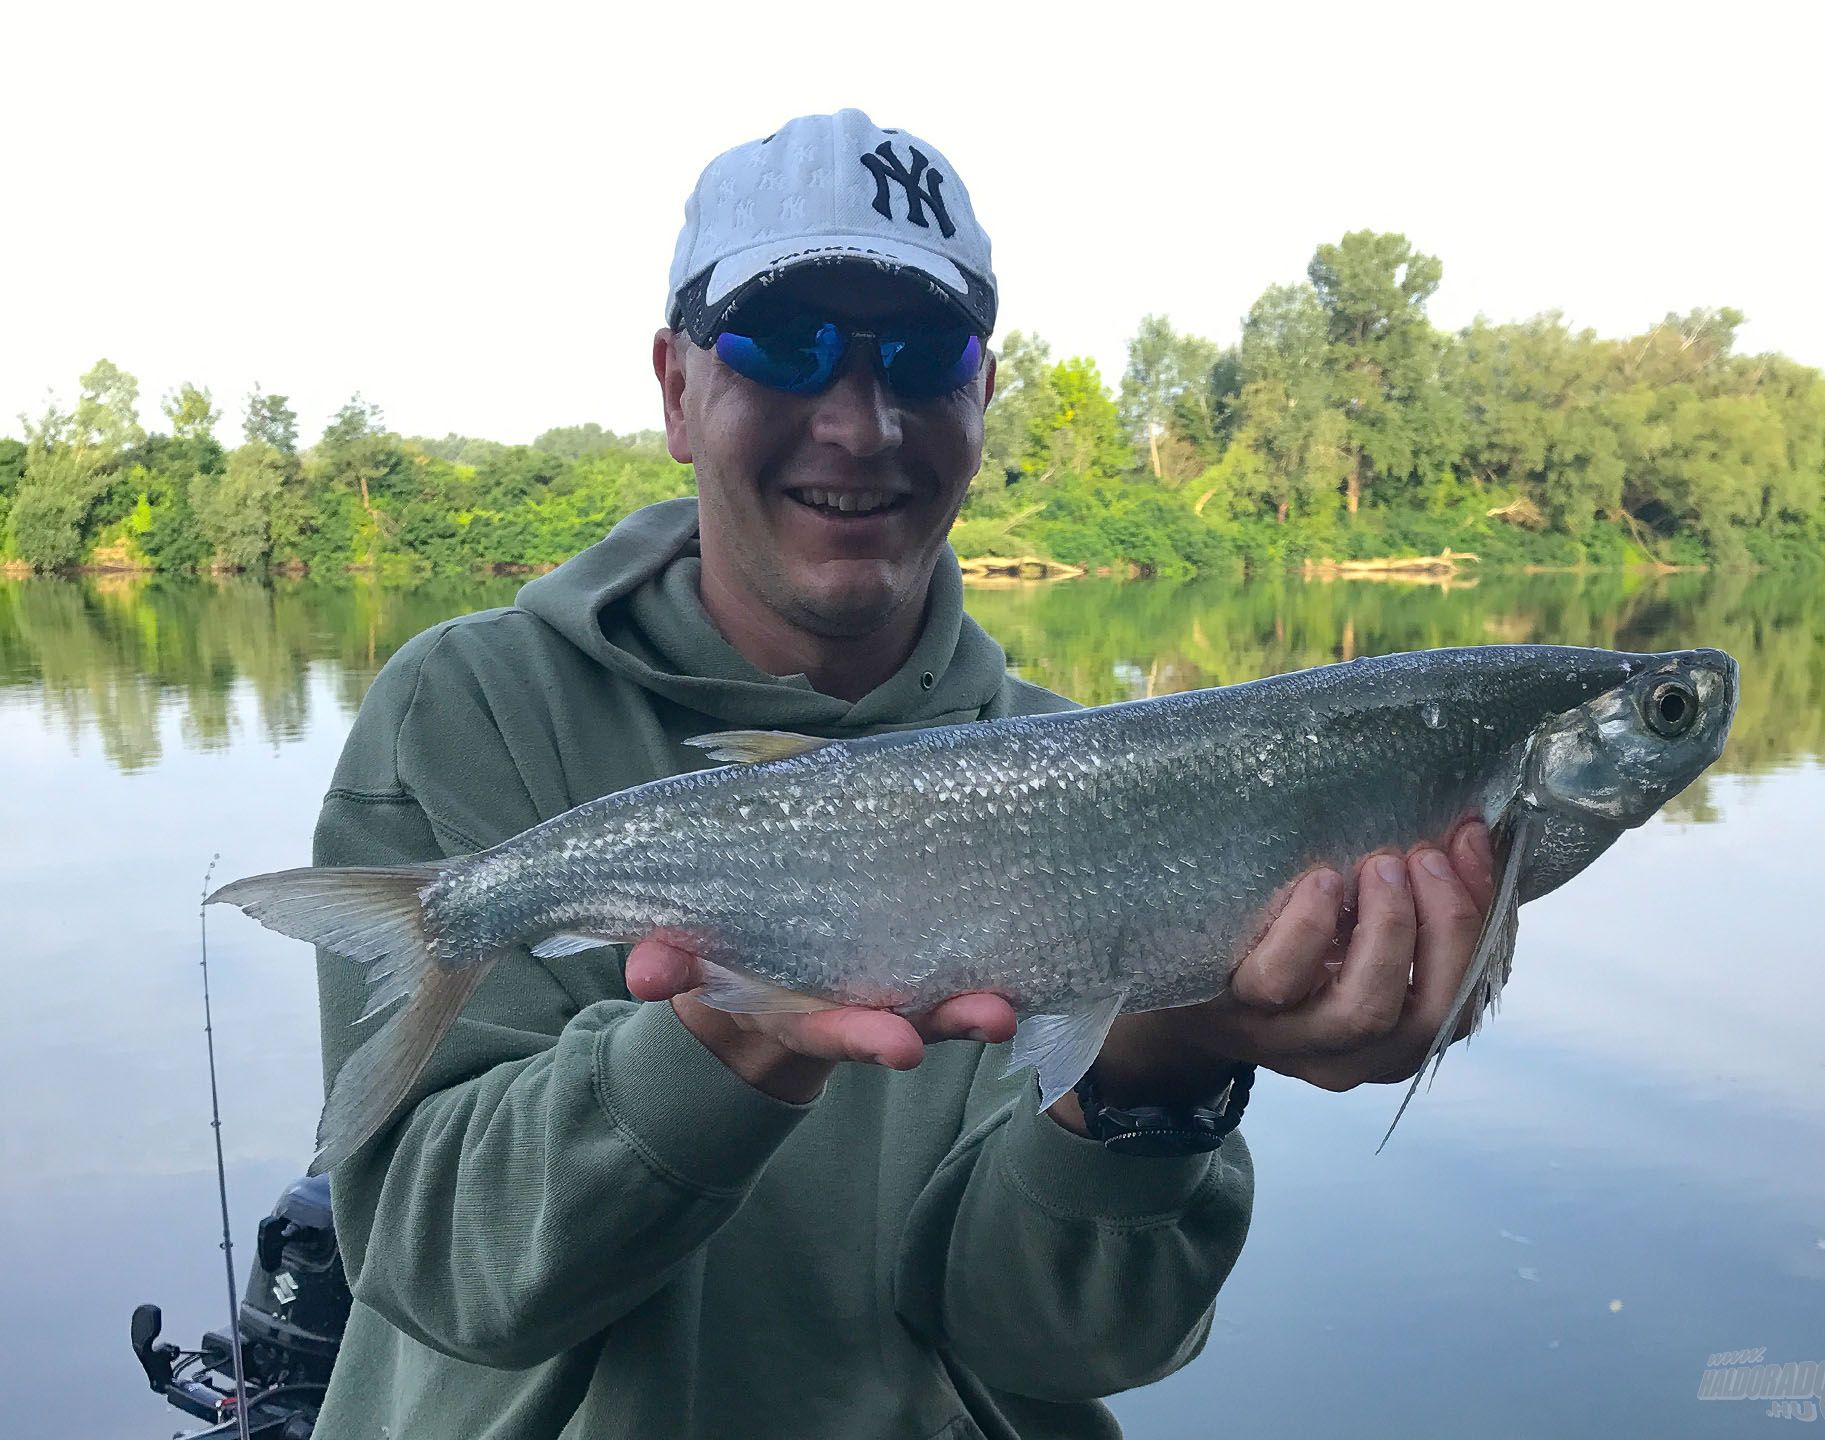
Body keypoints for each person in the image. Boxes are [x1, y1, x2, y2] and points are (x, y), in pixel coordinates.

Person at [308, 108, 1494, 1440]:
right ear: (677, 389)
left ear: (981, 399)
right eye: (786, 341)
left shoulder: (1093, 778)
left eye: (924, 354)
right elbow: (432, 1269)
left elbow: (1052, 1346)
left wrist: (1162, 1067)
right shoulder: (468, 707)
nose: (861, 421)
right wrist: (735, 1037)